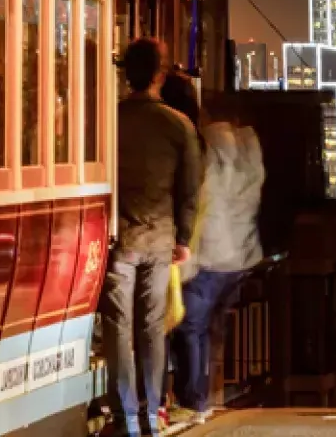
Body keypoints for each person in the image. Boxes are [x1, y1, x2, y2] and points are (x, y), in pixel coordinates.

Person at [102, 38, 199, 437]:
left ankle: (125, 415)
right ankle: (152, 412)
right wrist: (184, 236)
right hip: (160, 237)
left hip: (118, 236)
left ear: (126, 73)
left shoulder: (109, 120)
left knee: (118, 328)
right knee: (151, 327)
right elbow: (191, 187)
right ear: (159, 75)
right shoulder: (178, 125)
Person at [170, 111, 265, 422]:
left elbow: (199, 210)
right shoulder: (249, 160)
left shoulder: (209, 165)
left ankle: (193, 401)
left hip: (212, 259)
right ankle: (202, 395)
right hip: (241, 258)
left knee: (191, 328)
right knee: (209, 330)